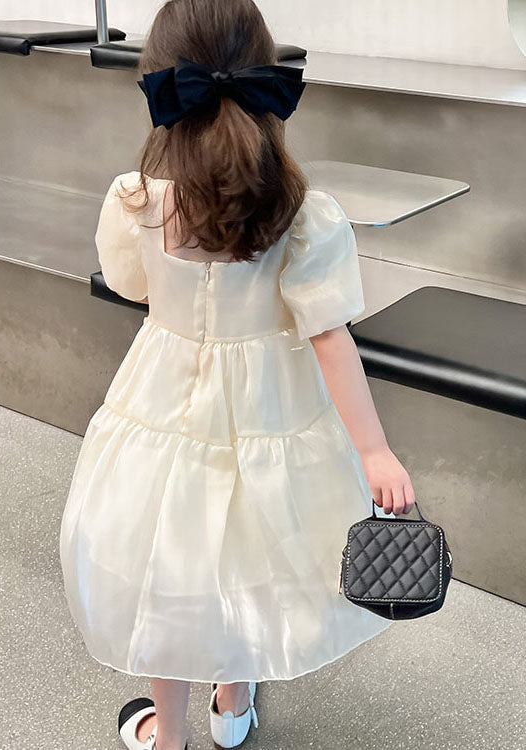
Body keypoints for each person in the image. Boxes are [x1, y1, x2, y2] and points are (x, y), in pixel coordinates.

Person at [59, 1, 416, 749]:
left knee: (168, 567)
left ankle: (170, 736)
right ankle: (233, 707)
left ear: (160, 81)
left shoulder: (136, 200)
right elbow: (329, 336)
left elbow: (131, 285)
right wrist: (374, 451)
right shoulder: (305, 213)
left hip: (164, 402)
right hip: (272, 406)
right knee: (252, 557)